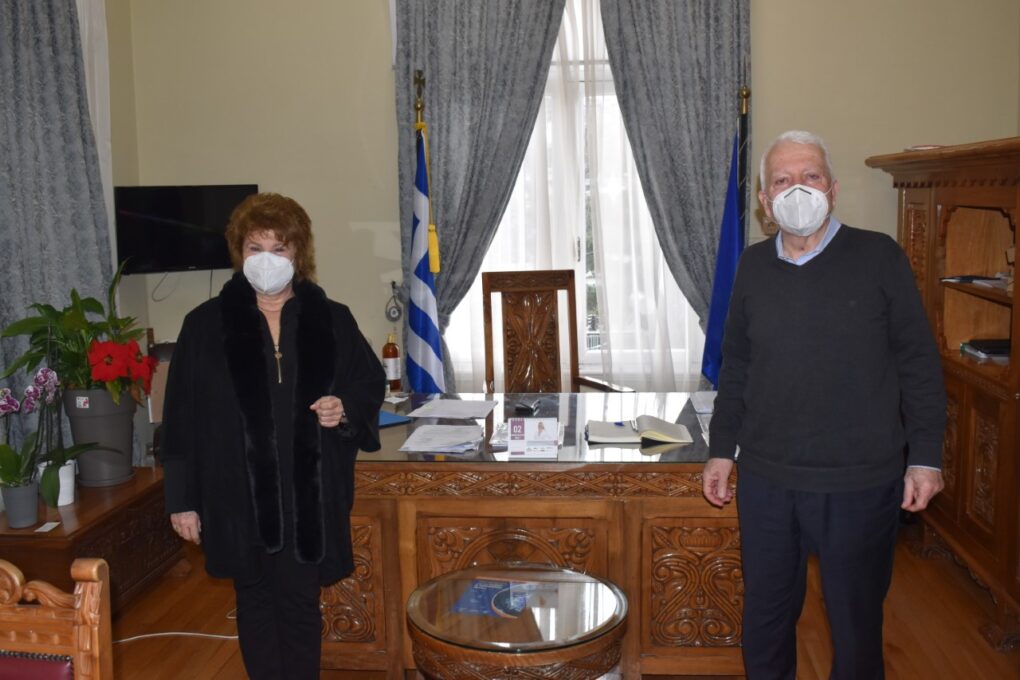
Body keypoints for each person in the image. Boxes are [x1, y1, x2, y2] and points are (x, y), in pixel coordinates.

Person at [702, 130, 946, 680]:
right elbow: (736, 365)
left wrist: (925, 457)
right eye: (782, 180)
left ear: (832, 189)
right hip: (767, 480)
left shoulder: (880, 256)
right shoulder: (752, 266)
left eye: (810, 176)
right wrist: (721, 450)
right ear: (765, 202)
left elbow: (918, 364)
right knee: (766, 621)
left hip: (860, 482)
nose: (798, 189)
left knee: (856, 627)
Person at [162, 192, 385, 679]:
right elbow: (179, 419)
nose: (266, 259)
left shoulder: (333, 319)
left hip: (307, 497)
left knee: (301, 602)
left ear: (298, 254)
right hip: (235, 496)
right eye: (255, 247)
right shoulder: (203, 327)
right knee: (254, 601)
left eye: (278, 248)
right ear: (239, 253)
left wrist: (343, 407)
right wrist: (182, 500)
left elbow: (369, 383)